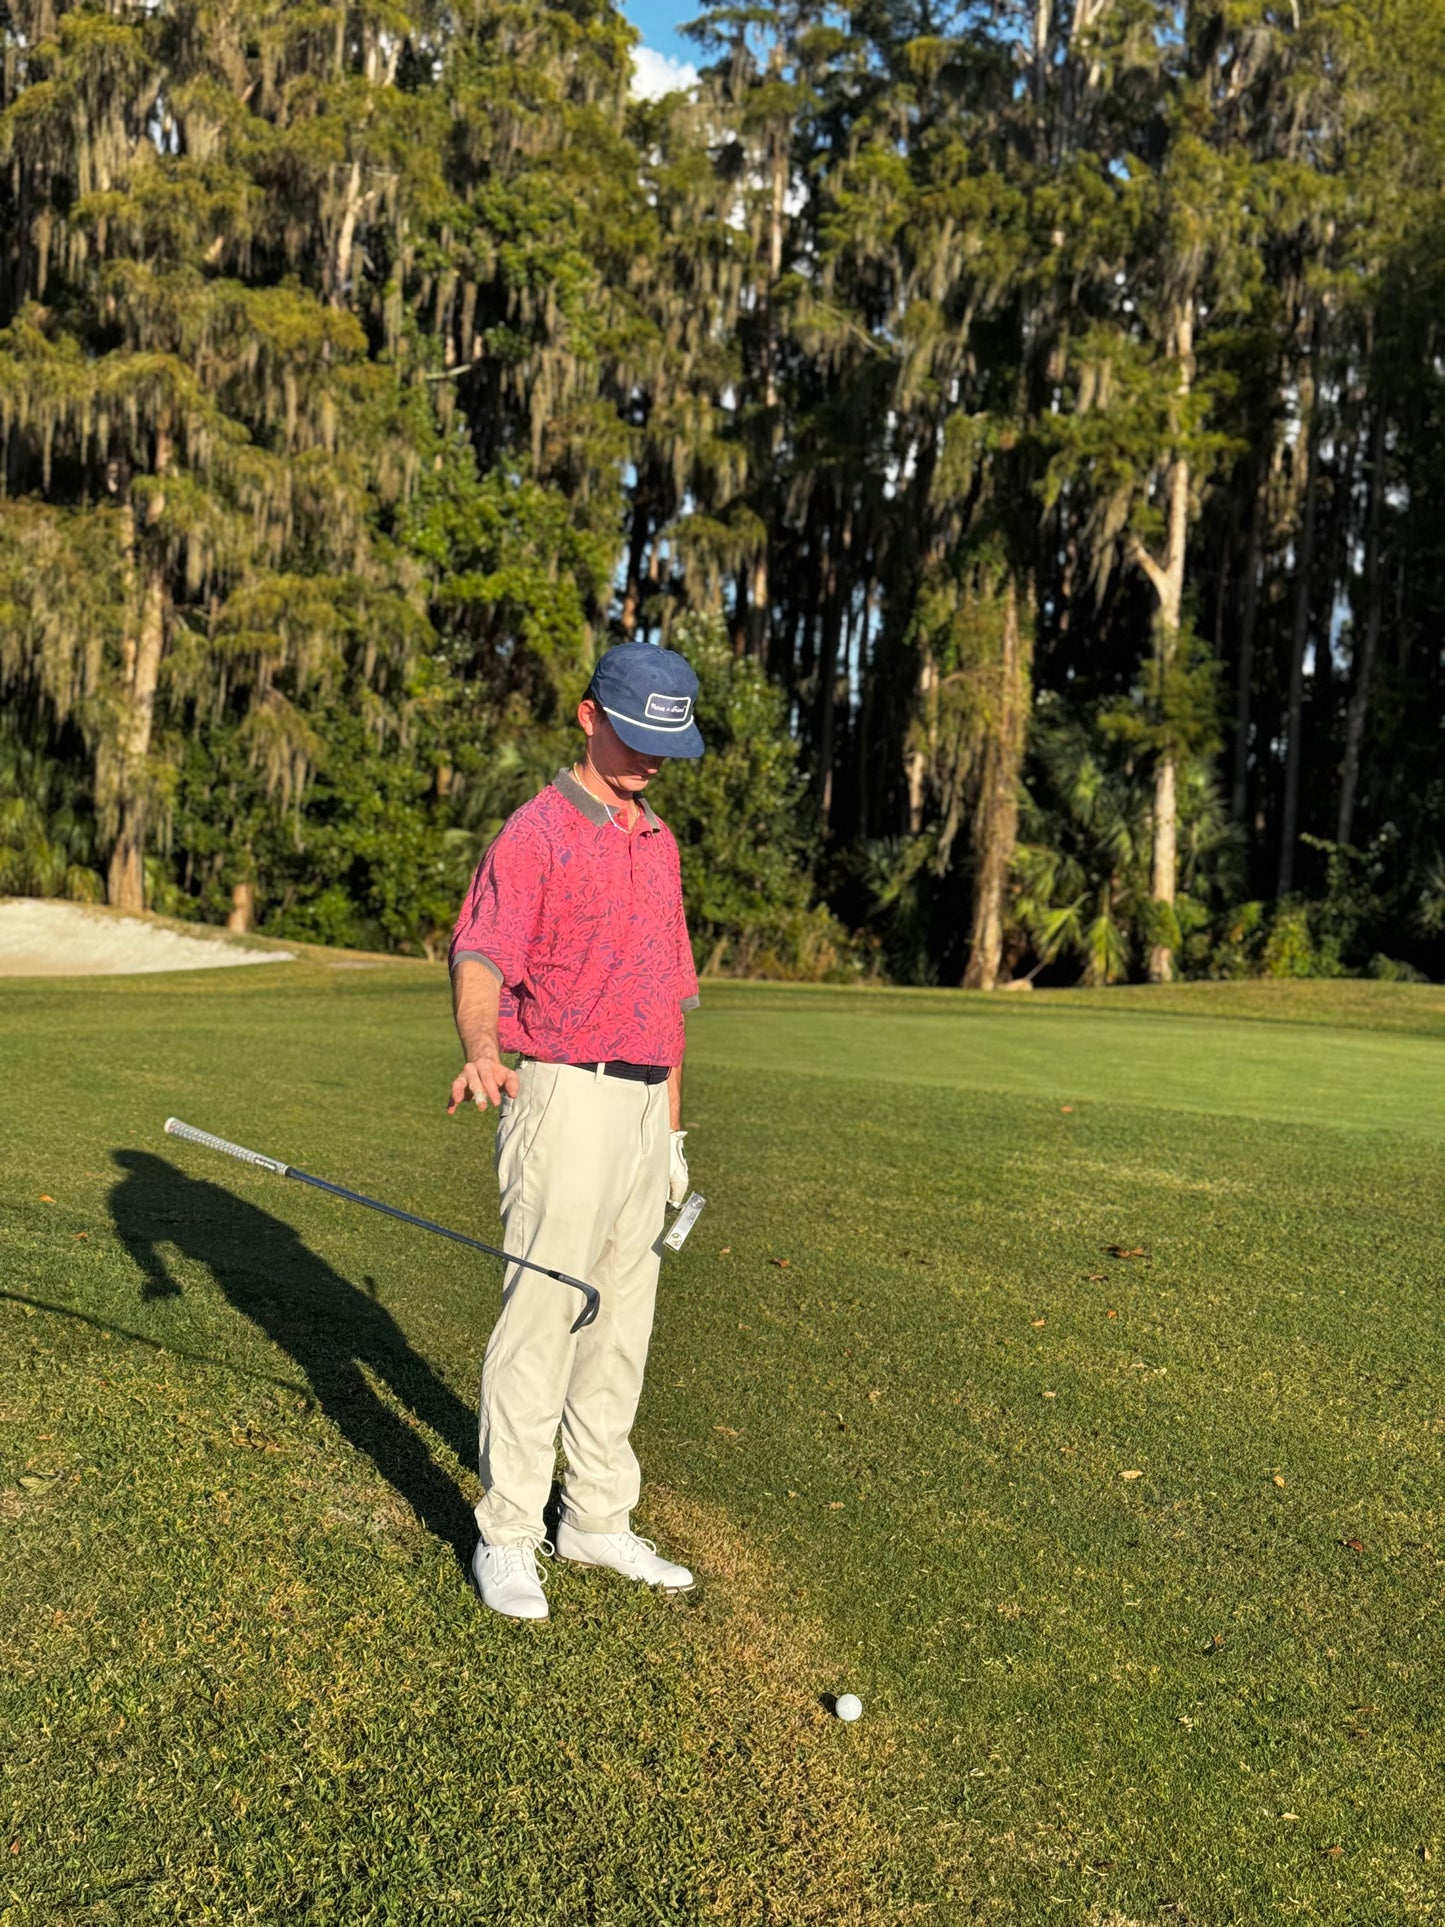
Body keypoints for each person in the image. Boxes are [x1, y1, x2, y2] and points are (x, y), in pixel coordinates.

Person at [446, 640, 704, 1619]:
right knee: (542, 1320)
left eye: (662, 748)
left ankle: (594, 1516)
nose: (647, 763)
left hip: (644, 1106)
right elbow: (480, 954)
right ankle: (508, 1530)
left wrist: (674, 1133)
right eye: (635, 740)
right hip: (560, 1090)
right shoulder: (536, 833)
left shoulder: (657, 841)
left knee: (621, 1322)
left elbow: (670, 999)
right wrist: (480, 1046)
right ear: (588, 716)